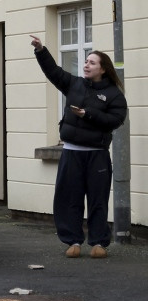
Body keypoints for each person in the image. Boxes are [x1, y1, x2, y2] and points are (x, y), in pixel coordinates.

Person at [30, 35, 127, 258]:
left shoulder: (113, 94)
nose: (86, 65)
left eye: (92, 62)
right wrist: (41, 50)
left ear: (103, 69)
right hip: (71, 154)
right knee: (69, 199)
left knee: (97, 200)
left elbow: (116, 120)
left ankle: (99, 243)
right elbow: (53, 72)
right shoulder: (74, 84)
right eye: (85, 61)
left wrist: (88, 114)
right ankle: (72, 241)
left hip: (97, 156)